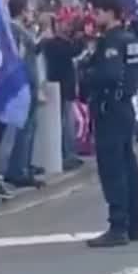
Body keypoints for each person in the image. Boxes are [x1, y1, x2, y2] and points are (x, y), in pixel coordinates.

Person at [81, 0, 138, 248]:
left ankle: (118, 224)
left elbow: (108, 75)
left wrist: (87, 74)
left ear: (111, 13)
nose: (95, 16)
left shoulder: (112, 41)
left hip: (111, 108)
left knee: (113, 168)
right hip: (125, 108)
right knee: (128, 165)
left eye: (98, 11)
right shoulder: (131, 39)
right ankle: (136, 223)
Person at [0, 0, 45, 189]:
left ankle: (24, 165)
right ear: (22, 10)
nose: (31, 13)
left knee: (30, 128)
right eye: (28, 10)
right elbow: (19, 58)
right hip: (23, 86)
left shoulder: (24, 31)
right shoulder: (14, 31)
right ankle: (17, 170)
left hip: (31, 85)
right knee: (23, 129)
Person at [41, 14, 85, 172]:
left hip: (66, 87)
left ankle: (69, 153)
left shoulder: (61, 42)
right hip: (60, 87)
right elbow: (72, 51)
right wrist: (81, 39)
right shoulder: (53, 44)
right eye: (62, 24)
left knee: (69, 122)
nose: (66, 27)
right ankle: (67, 154)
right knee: (65, 123)